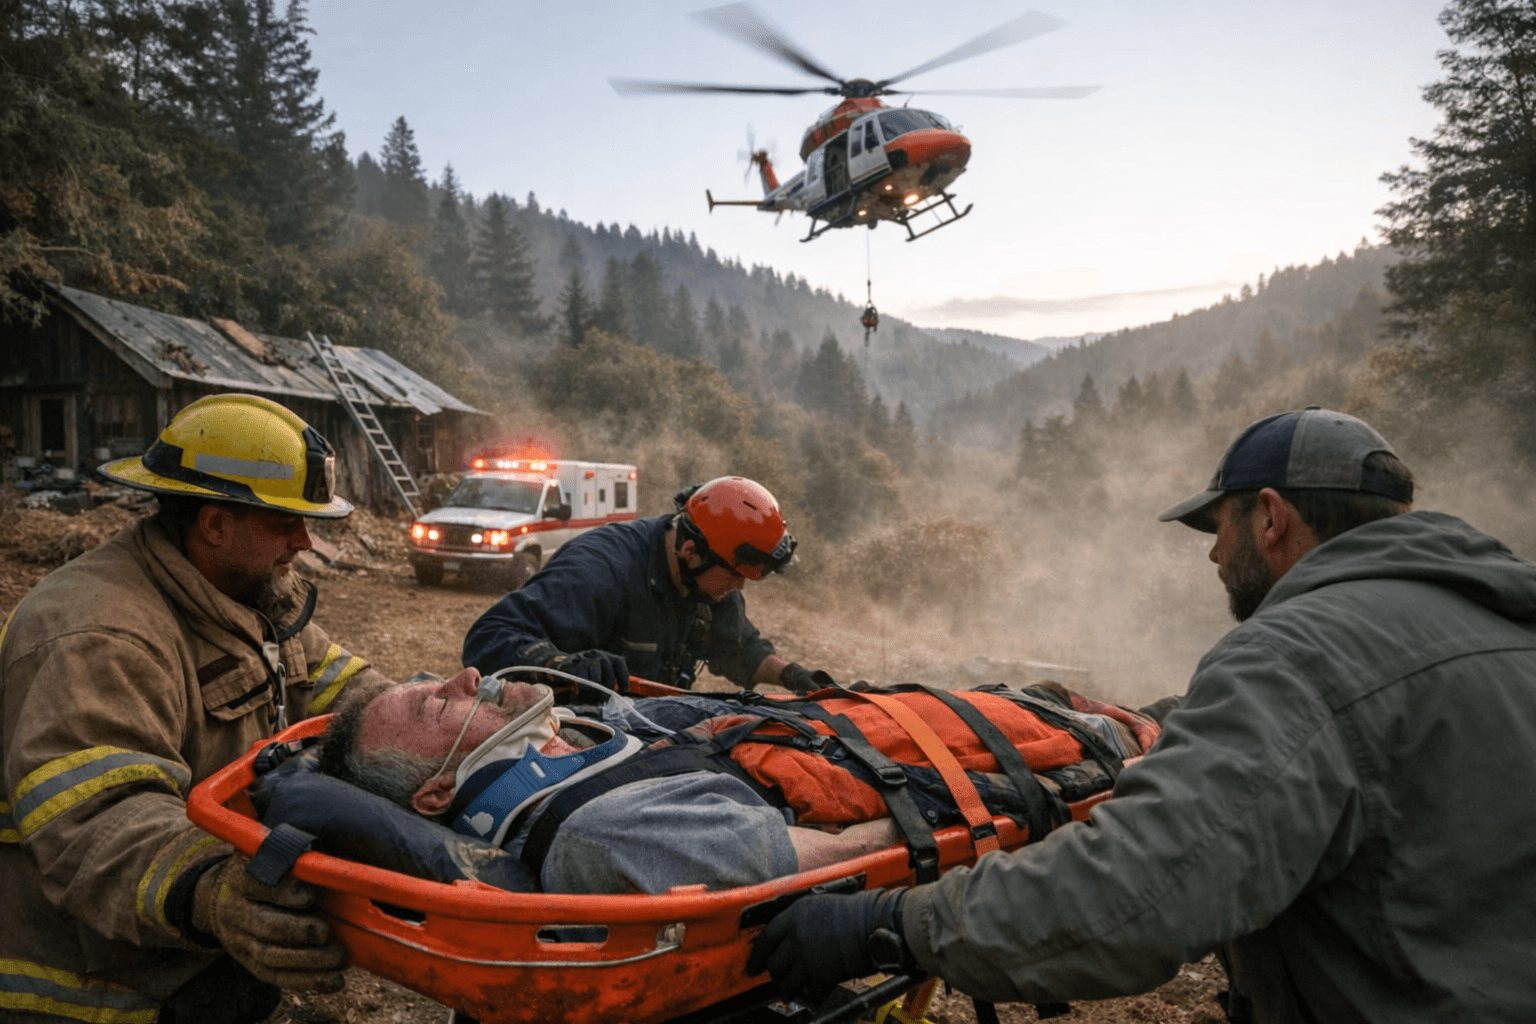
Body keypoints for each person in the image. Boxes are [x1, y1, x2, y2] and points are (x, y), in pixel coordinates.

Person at [748, 408, 1536, 1023]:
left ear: (1269, 517)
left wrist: (891, 927)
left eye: (1218, 526)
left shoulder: (1296, 657)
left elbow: (1131, 899)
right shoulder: (1503, 623)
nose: (1213, 556)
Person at [0, 394, 394, 1024]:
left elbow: (342, 689)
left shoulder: (244, 595)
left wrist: (440, 722)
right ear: (214, 524)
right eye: (285, 521)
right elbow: (100, 816)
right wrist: (215, 894)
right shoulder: (94, 633)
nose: (305, 541)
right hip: (100, 989)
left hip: (194, 966)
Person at [285, 666, 1160, 896]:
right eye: (440, 708)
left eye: (437, 678)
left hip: (884, 731)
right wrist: (999, 820)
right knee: (1141, 727)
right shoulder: (606, 832)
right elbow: (830, 854)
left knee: (1039, 698)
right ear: (438, 796)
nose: (463, 680)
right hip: (950, 773)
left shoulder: (585, 743)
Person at [461, 476, 822, 693]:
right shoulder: (599, 570)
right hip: (573, 738)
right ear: (691, 550)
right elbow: (488, 637)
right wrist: (560, 664)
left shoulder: (709, 580)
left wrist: (793, 676)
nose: (740, 587)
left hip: (645, 732)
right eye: (737, 575)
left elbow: (739, 648)